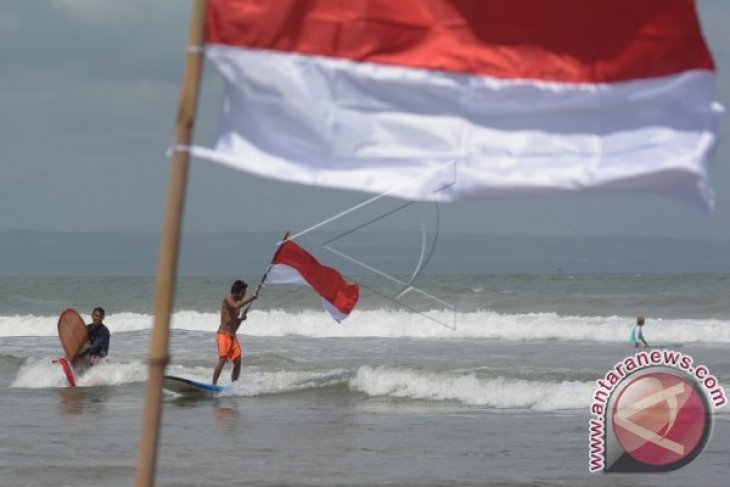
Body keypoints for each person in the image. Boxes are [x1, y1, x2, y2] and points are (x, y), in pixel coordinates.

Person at [212, 280, 257, 384]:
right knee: (222, 359)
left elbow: (234, 326)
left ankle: (234, 385)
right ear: (237, 291)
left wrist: (240, 320)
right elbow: (236, 306)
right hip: (223, 335)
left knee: (238, 362)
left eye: (245, 293)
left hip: (232, 336)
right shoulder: (227, 299)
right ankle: (213, 384)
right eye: (243, 293)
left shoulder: (237, 307)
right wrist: (251, 298)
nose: (244, 295)